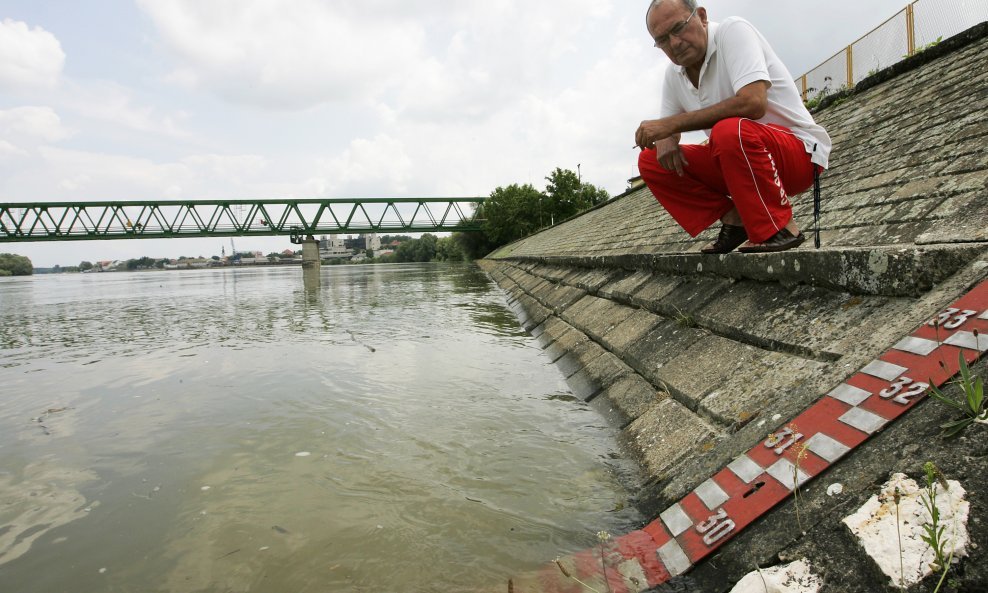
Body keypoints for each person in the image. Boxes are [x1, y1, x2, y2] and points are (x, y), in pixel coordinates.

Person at [635, 0, 831, 253]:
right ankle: (735, 220)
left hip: (798, 155)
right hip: (739, 164)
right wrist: (666, 138)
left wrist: (669, 124)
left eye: (679, 28)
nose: (674, 43)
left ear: (702, 16)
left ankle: (780, 227)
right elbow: (667, 130)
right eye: (662, 40)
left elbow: (753, 103)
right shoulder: (674, 75)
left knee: (728, 130)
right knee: (650, 161)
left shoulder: (733, 31)